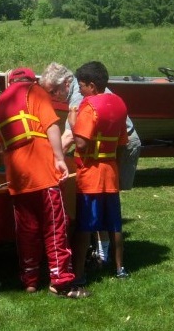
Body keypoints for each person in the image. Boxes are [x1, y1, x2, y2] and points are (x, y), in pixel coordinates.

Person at [0, 67, 89, 298]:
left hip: (18, 177)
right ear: (30, 79)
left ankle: (30, 280)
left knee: (27, 231)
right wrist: (59, 158)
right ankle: (60, 281)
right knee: (55, 227)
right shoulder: (35, 92)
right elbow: (52, 126)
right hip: (43, 172)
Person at [40, 62, 141, 265]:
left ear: (68, 84)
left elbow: (71, 137)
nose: (51, 96)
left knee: (98, 203)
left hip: (116, 147)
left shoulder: (81, 97)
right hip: (109, 147)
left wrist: (45, 159)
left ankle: (102, 253)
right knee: (104, 205)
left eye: (53, 91)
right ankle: (106, 254)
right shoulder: (83, 89)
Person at [66, 61, 130, 282]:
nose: (80, 90)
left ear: (92, 86)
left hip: (91, 175)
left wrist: (73, 123)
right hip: (110, 172)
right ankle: (120, 269)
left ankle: (80, 274)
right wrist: (116, 166)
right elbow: (123, 143)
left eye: (82, 86)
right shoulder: (120, 104)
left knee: (85, 225)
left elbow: (82, 145)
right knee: (114, 224)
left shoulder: (88, 106)